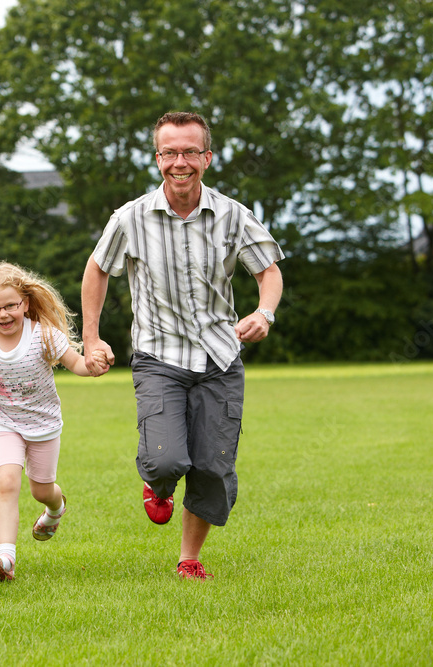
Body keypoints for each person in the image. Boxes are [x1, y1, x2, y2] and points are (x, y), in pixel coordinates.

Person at [81, 111, 284, 580]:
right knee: (167, 458)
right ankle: (159, 485)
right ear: (157, 160)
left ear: (206, 158)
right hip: (159, 356)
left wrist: (263, 312)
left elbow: (268, 270)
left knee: (213, 468)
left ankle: (188, 559)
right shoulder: (130, 218)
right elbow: (97, 270)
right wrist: (91, 338)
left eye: (190, 151)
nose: (180, 162)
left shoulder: (233, 214)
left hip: (220, 357)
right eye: (170, 152)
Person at [0, 261, 108, 582]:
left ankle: (56, 508)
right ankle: (6, 558)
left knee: (41, 490)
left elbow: (76, 363)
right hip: (5, 423)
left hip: (45, 425)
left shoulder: (44, 335)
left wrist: (94, 363)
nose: (3, 314)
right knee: (7, 482)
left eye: (11, 305)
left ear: (26, 303)